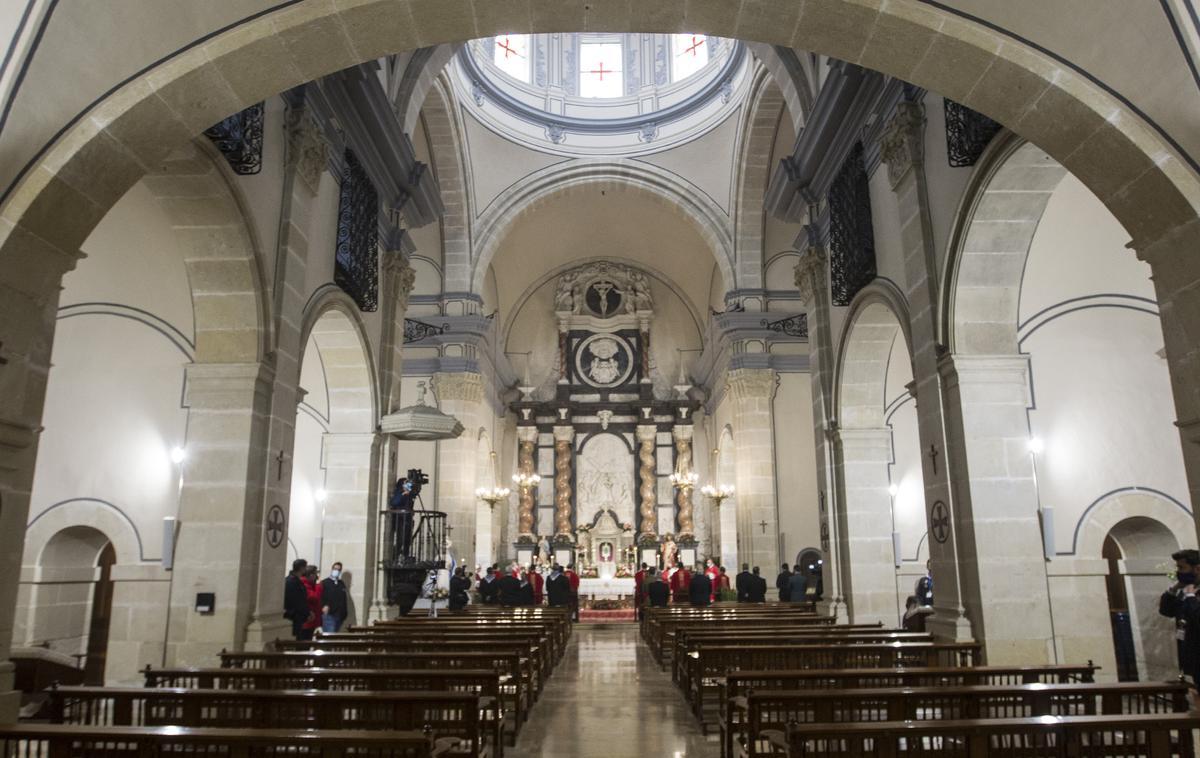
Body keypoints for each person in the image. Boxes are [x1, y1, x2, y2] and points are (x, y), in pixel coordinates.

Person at [1159, 549, 1200, 684]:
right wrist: (1175, 588)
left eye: (1182, 568)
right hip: (1190, 651)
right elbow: (1166, 611)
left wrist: (1191, 598)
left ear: (1197, 568)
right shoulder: (1187, 590)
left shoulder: (1191, 594)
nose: (1178, 572)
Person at [388, 477, 415, 560]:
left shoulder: (409, 494)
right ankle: (396, 557)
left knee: (408, 540)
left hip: (408, 520)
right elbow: (394, 502)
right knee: (400, 540)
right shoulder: (399, 492)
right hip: (400, 520)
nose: (408, 485)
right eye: (406, 483)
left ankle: (405, 556)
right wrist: (403, 494)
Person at [283, 558, 311, 640]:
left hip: (298, 616)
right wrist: (306, 613)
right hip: (294, 617)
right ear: (302, 568)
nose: (306, 570)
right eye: (305, 567)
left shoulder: (296, 581)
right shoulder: (291, 582)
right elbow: (297, 601)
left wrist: (307, 612)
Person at [319, 561, 348, 633]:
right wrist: (324, 606)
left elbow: (343, 598)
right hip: (329, 614)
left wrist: (344, 613)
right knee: (329, 635)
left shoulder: (341, 583)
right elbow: (320, 596)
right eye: (335, 569)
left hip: (339, 615)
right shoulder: (324, 582)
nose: (336, 571)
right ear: (332, 569)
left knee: (335, 636)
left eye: (339, 570)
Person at [300, 564, 322, 640]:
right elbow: (314, 598)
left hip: (311, 621)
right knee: (304, 644)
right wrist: (318, 587)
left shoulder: (311, 585)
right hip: (306, 622)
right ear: (311, 575)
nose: (317, 577)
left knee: (308, 643)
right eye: (315, 574)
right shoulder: (303, 584)